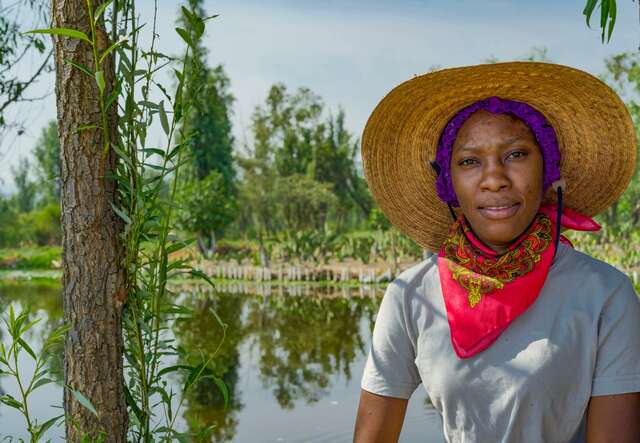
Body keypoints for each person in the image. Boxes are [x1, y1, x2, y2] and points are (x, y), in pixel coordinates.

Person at [353, 62, 640, 443]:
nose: (494, 179)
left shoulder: (605, 295)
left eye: (516, 154)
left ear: (548, 169)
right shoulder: (411, 296)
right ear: (449, 184)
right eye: (470, 161)